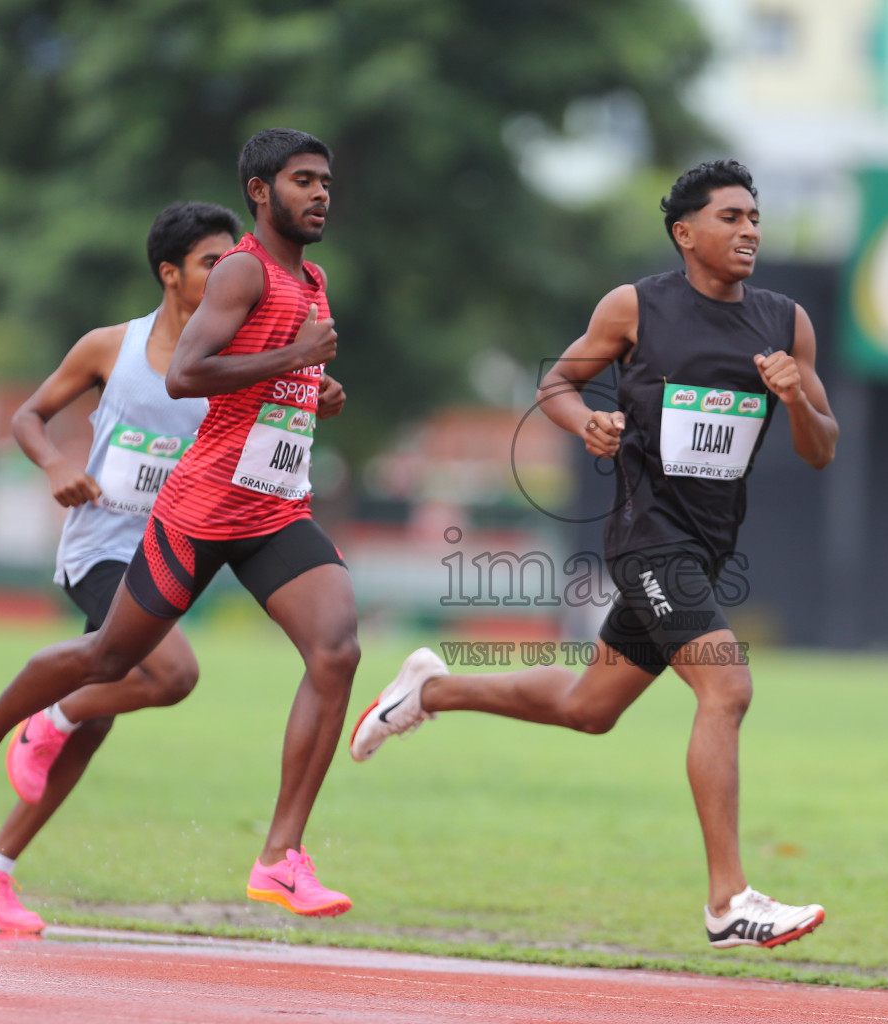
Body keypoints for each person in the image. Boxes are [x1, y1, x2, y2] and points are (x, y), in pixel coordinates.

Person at [350, 160, 840, 949]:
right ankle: (728, 901)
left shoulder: (787, 323)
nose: (750, 230)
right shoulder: (636, 307)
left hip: (709, 544)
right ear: (686, 234)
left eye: (755, 217)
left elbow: (821, 448)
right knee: (728, 688)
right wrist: (585, 424)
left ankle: (432, 691)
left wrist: (797, 400)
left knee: (589, 709)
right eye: (731, 217)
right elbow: (558, 384)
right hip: (647, 536)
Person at [0, 128, 359, 918]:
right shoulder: (240, 273)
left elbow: (281, 391)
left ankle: (280, 857)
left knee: (336, 648)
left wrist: (315, 388)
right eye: (303, 180)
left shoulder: (316, 281)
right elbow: (185, 374)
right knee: (119, 659)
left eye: (326, 180)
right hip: (190, 515)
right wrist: (290, 359)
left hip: (271, 508)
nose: (322, 193)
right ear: (261, 192)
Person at [0, 202, 239, 932]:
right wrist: (54, 465)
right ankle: (6, 724)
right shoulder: (111, 347)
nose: (230, 272)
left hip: (174, 552)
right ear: (170, 274)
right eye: (214, 261)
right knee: (171, 676)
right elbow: (27, 416)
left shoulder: (235, 362)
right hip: (103, 547)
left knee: (93, 727)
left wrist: (319, 398)